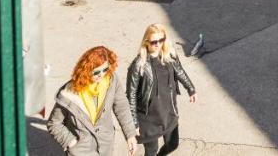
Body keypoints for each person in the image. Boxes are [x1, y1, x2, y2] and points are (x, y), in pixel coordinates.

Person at [47, 45, 138, 155]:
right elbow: (54, 124)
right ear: (86, 69)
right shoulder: (69, 94)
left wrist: (130, 135)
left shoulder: (112, 81)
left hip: (105, 147)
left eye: (105, 69)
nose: (101, 75)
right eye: (96, 72)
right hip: (81, 151)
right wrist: (71, 142)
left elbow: (121, 106)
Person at [126, 24, 196, 156]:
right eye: (154, 42)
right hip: (148, 118)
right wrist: (133, 122)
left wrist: (191, 89)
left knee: (172, 144)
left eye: (161, 40)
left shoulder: (170, 55)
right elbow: (131, 95)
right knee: (151, 151)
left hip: (168, 112)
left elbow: (179, 71)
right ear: (146, 42)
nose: (158, 44)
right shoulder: (138, 64)